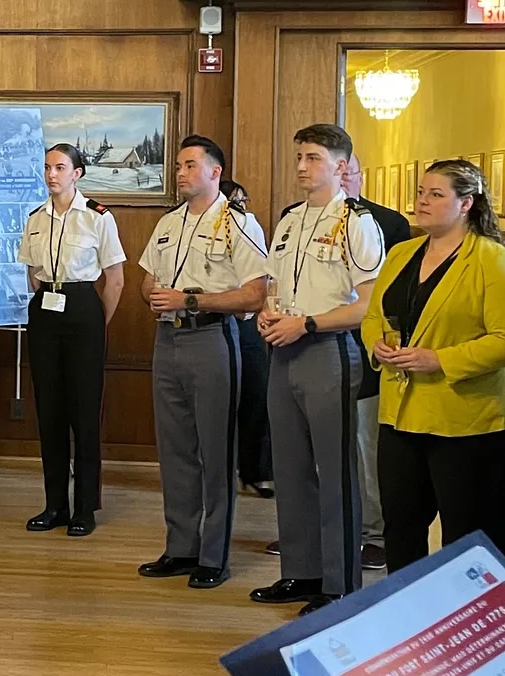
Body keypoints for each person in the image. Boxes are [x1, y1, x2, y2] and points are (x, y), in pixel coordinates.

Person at [362, 159, 505, 573]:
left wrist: (439, 359)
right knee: (400, 526)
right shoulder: (402, 253)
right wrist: (378, 347)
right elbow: (374, 317)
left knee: (464, 535)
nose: (422, 201)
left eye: (436, 194)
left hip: (466, 417)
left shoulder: (493, 259)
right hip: (401, 412)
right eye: (421, 192)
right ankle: (405, 618)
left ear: (466, 203)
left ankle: (465, 623)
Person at [252, 124, 384, 615]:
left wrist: (305, 323)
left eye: (312, 158)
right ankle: (301, 571)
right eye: (299, 157)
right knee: (289, 470)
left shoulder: (356, 223)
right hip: (283, 350)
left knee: (335, 472)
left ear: (341, 166)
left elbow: (367, 306)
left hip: (328, 350)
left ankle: (339, 581)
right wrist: (270, 310)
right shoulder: (290, 221)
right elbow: (275, 286)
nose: (302, 167)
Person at [137, 139, 268, 588]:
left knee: (216, 449)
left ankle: (214, 555)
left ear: (216, 172)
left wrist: (189, 298)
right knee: (174, 451)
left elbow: (255, 293)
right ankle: (180, 547)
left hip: (213, 338)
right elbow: (148, 280)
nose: (180, 172)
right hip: (167, 340)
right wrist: (156, 296)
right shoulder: (168, 223)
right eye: (177, 165)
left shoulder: (238, 223)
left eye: (190, 165)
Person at [18, 144, 126, 537]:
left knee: (83, 415)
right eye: (47, 167)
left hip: (83, 309)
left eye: (60, 167)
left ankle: (85, 508)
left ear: (77, 173)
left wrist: (97, 323)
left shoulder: (98, 217)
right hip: (45, 307)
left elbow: (115, 280)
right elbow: (32, 274)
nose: (52, 175)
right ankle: (54, 505)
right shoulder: (35, 218)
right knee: (49, 412)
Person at [341, 153, 412, 572]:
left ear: (359, 176)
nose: (344, 179)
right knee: (320, 445)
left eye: (350, 172)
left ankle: (372, 532)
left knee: (367, 445)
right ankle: (323, 526)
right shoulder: (297, 217)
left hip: (368, 344)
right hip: (310, 344)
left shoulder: (389, 223)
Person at [221, 177, 273, 498]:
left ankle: (256, 470)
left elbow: (263, 275)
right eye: (232, 201)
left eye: (243, 200)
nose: (239, 207)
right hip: (213, 320)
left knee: (255, 394)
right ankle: (221, 471)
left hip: (248, 321)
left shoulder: (249, 227)